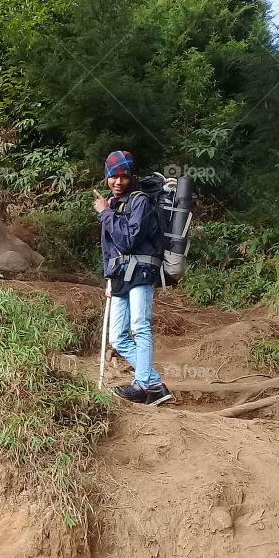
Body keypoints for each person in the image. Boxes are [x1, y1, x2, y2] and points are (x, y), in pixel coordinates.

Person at [94, 150, 173, 406]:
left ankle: (142, 386)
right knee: (117, 337)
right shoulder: (110, 203)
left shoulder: (139, 201)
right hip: (118, 275)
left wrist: (105, 213)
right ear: (107, 176)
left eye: (124, 176)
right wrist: (108, 280)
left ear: (131, 177)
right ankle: (155, 384)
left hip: (141, 270)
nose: (118, 182)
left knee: (140, 326)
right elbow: (109, 248)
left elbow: (128, 241)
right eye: (114, 176)